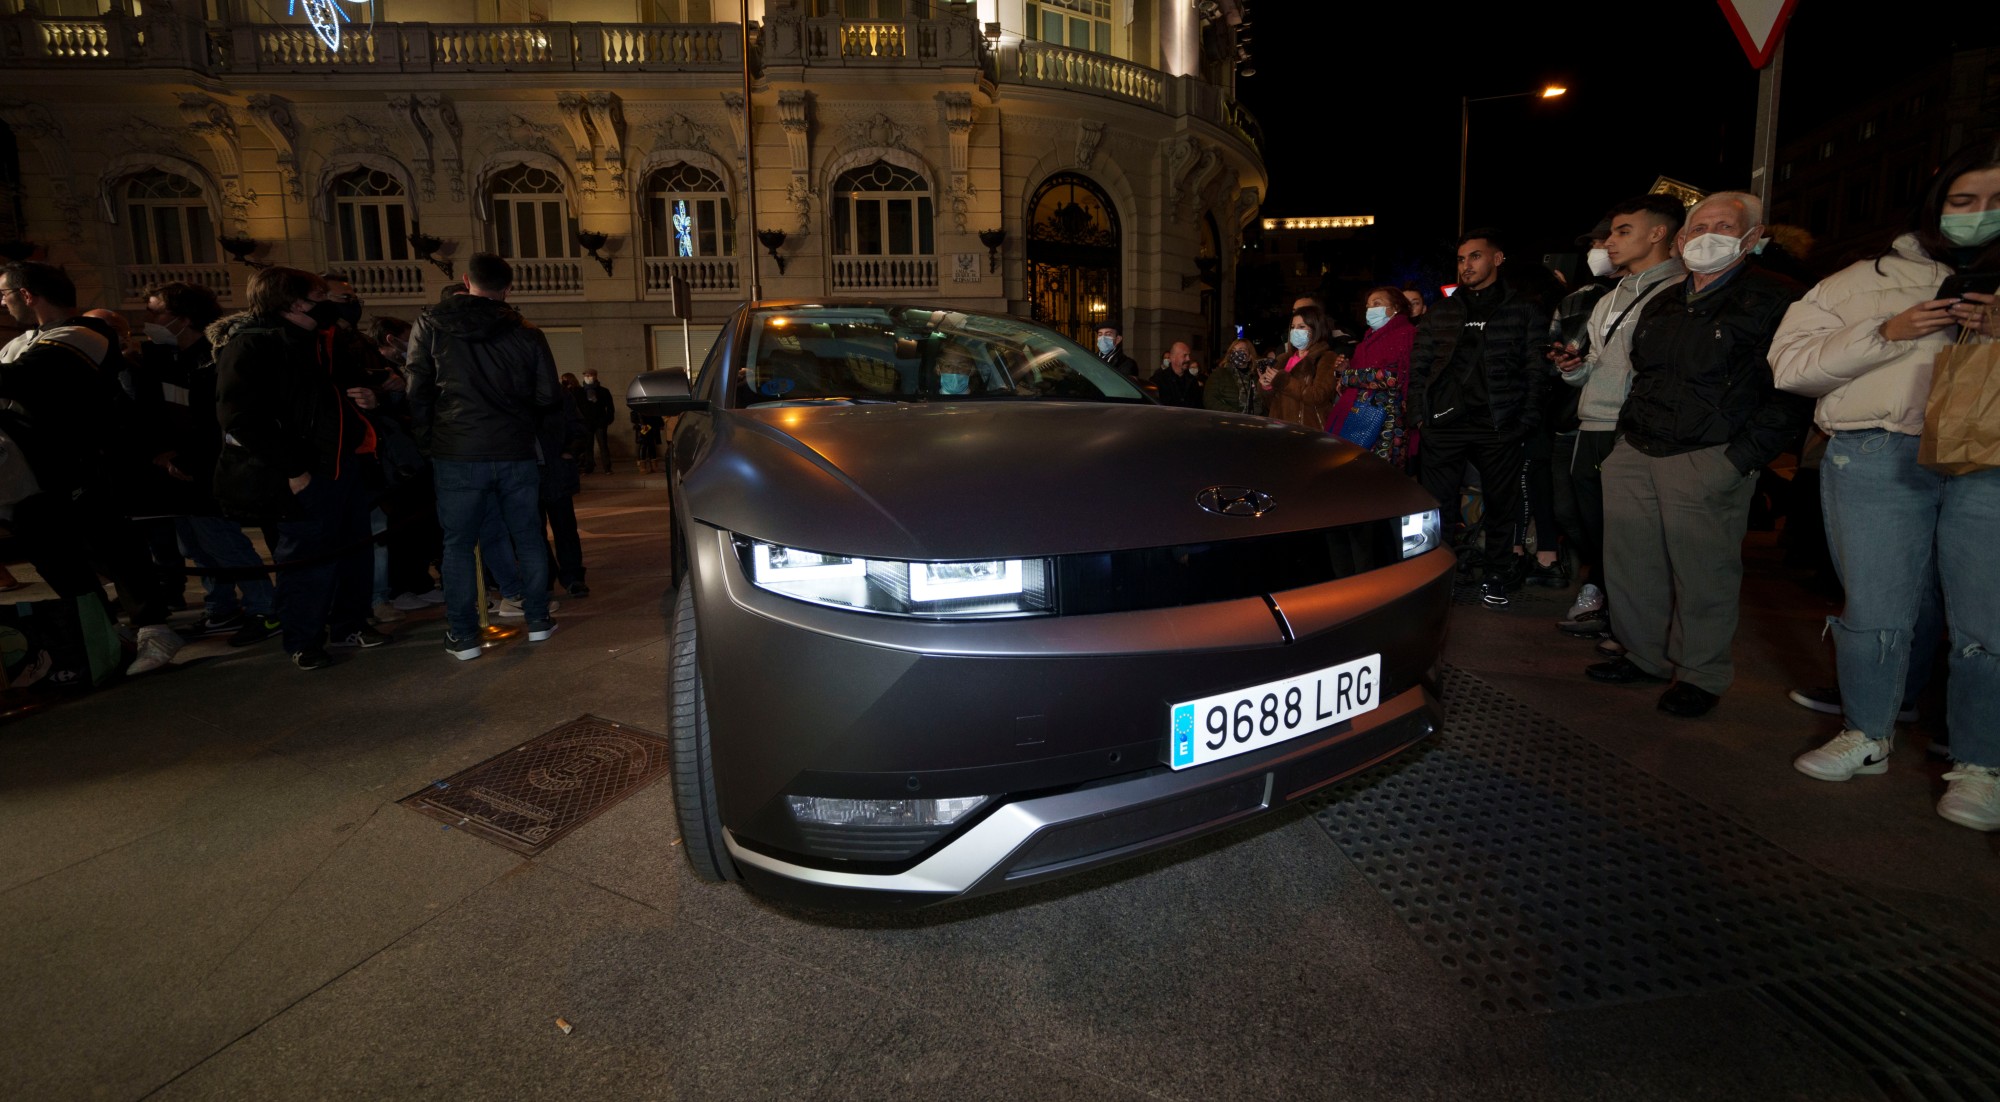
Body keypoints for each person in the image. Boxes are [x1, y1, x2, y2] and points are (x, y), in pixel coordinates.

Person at [1772, 138, 2000, 831]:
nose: (1980, 212)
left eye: (1996, 201)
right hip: (1877, 450)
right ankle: (1866, 733)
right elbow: (1791, 366)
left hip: (1989, 460)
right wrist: (1887, 331)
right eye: (1964, 199)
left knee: (1987, 617)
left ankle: (1982, 763)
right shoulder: (1860, 279)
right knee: (1874, 606)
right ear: (1936, 201)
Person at [1585, 191, 1810, 718]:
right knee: (1631, 565)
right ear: (1683, 238)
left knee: (1704, 574)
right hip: (1638, 447)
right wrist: (1623, 442)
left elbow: (1791, 391)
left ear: (1752, 237)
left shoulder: (1778, 298)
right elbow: (1645, 374)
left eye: (1724, 226)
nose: (1708, 236)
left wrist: (1741, 457)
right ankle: (1643, 656)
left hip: (1709, 455)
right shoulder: (1665, 301)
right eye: (1700, 227)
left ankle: (1700, 675)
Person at [0, 262, 186, 675]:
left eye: (5, 294)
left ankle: (153, 629)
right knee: (55, 559)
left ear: (27, 295)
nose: (2, 303)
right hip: (30, 476)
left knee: (112, 546)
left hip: (81, 464)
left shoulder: (83, 334)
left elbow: (23, 379)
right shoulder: (22, 341)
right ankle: (103, 634)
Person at [213, 267, 389, 670]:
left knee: (354, 552)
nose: (329, 303)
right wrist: (294, 470)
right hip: (304, 471)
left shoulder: (323, 340)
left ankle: (349, 624)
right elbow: (240, 419)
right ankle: (303, 639)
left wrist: (371, 396)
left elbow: (346, 387)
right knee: (307, 560)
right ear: (294, 303)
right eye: (319, 296)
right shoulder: (251, 345)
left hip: (343, 462)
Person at [405, 253, 564, 661]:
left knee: (458, 544)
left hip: (457, 450)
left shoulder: (431, 324)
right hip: (513, 448)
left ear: (466, 280)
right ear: (507, 288)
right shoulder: (526, 331)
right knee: (528, 535)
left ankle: (463, 636)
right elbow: (548, 395)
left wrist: (429, 442)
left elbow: (417, 390)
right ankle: (538, 620)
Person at [1552, 195, 1686, 645]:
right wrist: (1574, 369)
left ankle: (1634, 630)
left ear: (1658, 233)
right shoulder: (1609, 298)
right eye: (1611, 232)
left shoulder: (1678, 291)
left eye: (1623, 231)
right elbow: (1596, 361)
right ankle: (1613, 608)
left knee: (1633, 536)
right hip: (1591, 423)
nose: (1609, 242)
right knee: (1589, 525)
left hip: (1633, 430)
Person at [1408, 229, 1550, 607]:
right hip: (1444, 425)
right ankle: (1438, 576)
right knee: (1437, 507)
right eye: (1461, 259)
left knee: (1502, 505)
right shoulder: (1442, 311)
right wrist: (1420, 417)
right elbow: (1419, 368)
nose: (1466, 265)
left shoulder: (1524, 308)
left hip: (1499, 424)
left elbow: (1536, 369)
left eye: (1475, 256)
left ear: (1497, 259)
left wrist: (1525, 420)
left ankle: (1496, 574)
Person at [142, 280, 281, 647]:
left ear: (184, 318)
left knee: (223, 543)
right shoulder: (168, 358)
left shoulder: (214, 358)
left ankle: (265, 608)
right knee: (196, 546)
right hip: (178, 469)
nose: (149, 319)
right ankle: (221, 607)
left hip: (209, 469)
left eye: (156, 312)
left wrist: (187, 457)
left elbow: (215, 420)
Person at [1330, 287, 1417, 466]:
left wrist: (1348, 376)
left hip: (1388, 423)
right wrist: (1344, 369)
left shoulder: (1406, 334)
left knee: (1381, 473)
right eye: (1368, 306)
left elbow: (1392, 377)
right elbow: (1357, 378)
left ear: (1395, 307)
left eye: (1377, 304)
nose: (1370, 310)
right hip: (1360, 417)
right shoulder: (1366, 342)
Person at [1257, 305, 1346, 431]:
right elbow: (1271, 403)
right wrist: (1267, 385)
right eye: (1293, 327)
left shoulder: (1326, 358)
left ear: (1315, 329)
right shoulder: (1283, 359)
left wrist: (1283, 381)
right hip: (1280, 429)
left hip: (1308, 430)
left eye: (1301, 327)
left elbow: (1319, 396)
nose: (1295, 331)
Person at [1203, 338, 1266, 416]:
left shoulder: (1257, 378)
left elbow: (1265, 403)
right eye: (1233, 350)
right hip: (1227, 421)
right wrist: (1235, 415)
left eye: (1241, 350)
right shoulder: (1219, 374)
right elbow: (1209, 400)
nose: (1236, 353)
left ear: (1250, 356)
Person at [574, 369, 615, 473]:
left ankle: (607, 467)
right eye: (586, 375)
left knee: (603, 445)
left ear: (596, 376)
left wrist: (608, 419)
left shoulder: (603, 391)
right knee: (588, 446)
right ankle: (589, 467)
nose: (588, 377)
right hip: (586, 423)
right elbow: (576, 407)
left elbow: (610, 407)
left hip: (600, 422)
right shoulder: (579, 392)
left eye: (590, 375)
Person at [1153, 340, 1204, 407]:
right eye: (1185, 355)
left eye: (1189, 355)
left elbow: (1199, 406)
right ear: (1173, 357)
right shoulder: (1159, 379)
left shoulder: (1192, 380)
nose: (1188, 359)